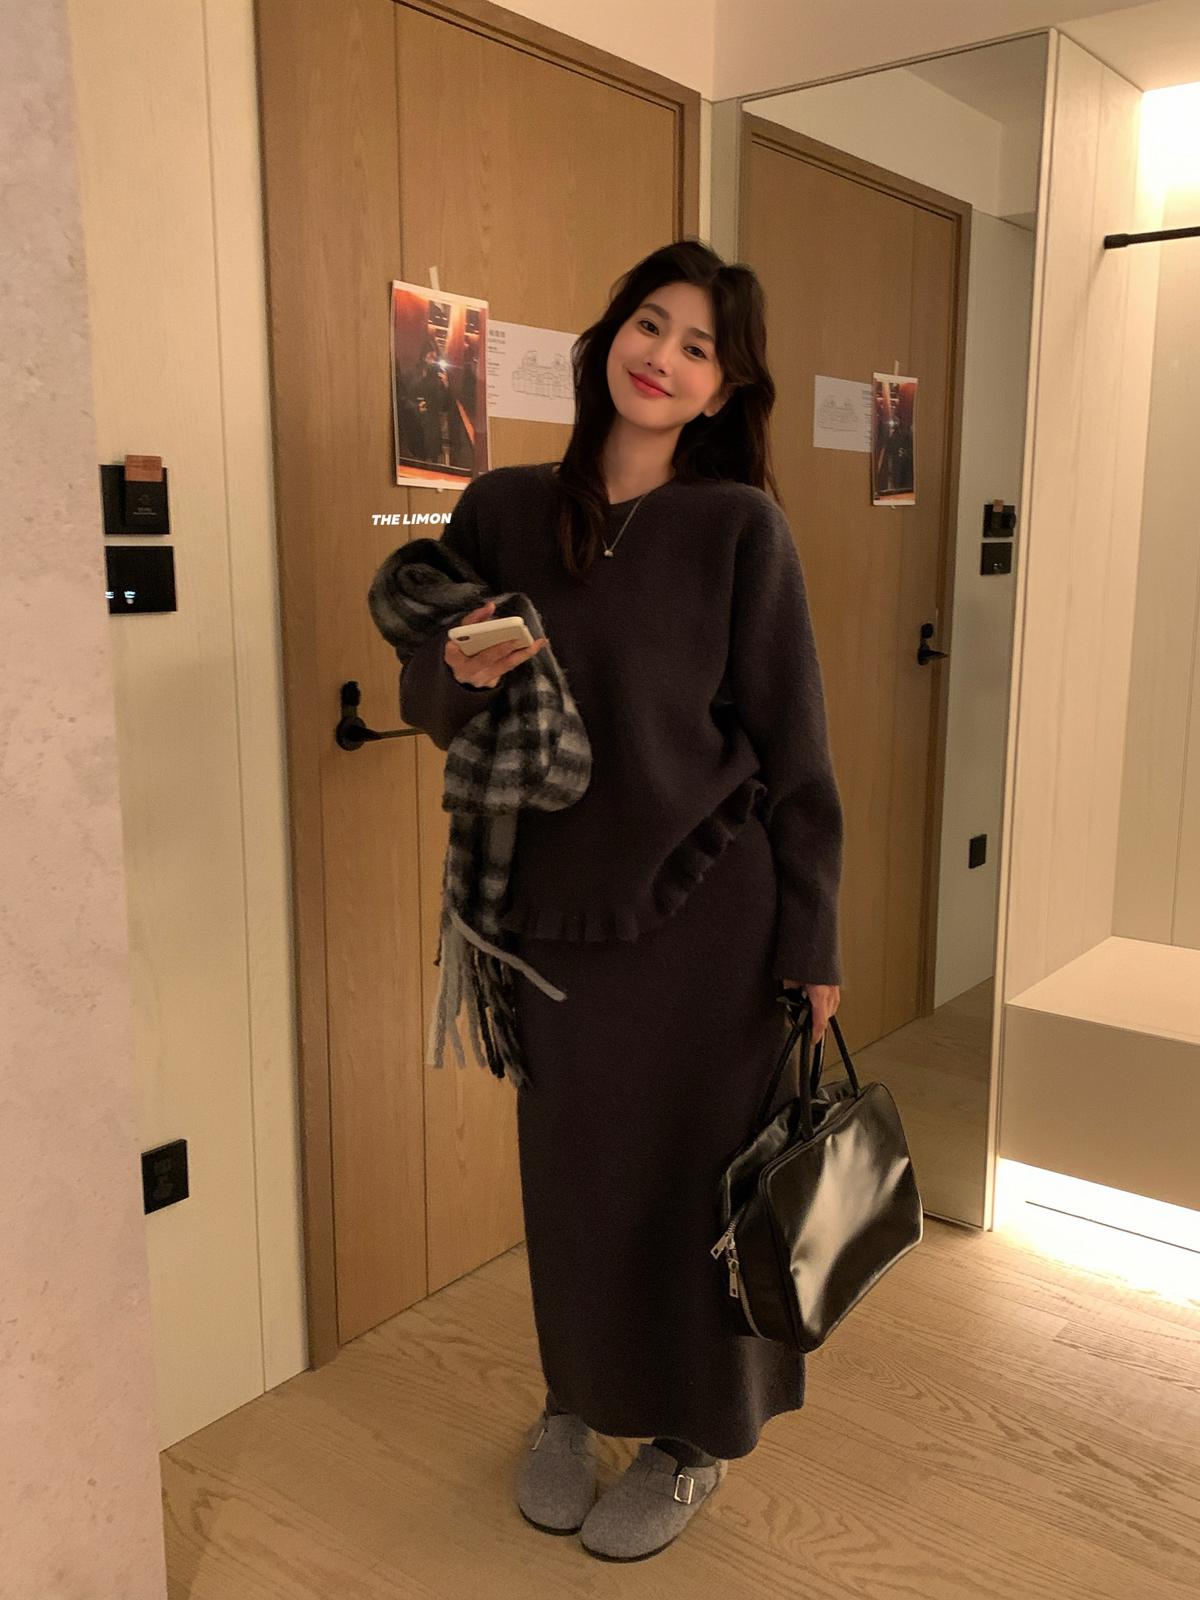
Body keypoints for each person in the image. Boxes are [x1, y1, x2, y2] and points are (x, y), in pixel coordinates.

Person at [394, 238, 844, 1560]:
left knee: (705, 1197)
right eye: (652, 325)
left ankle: (694, 1440)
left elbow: (797, 753)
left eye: (700, 347)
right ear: (612, 337)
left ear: (723, 389)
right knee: (577, 1186)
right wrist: (459, 670)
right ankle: (573, 1401)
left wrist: (813, 938)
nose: (665, 358)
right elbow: (429, 693)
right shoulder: (502, 511)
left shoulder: (738, 528)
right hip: (552, 926)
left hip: (715, 924)